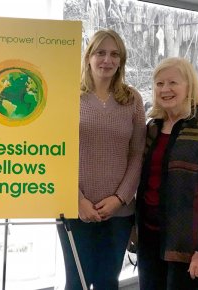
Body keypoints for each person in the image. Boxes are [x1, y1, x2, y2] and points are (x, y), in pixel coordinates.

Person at [57, 29, 146, 289]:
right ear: (88, 57)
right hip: (74, 208)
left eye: (114, 54)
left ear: (121, 61)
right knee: (77, 282)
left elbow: (137, 153)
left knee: (108, 282)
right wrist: (77, 199)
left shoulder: (132, 100)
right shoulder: (69, 96)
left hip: (119, 213)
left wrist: (119, 199)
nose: (107, 60)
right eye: (100, 53)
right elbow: (56, 153)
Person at [136, 57, 198, 290]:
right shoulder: (153, 127)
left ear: (189, 85)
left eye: (172, 82)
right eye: (159, 84)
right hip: (150, 238)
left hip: (188, 245)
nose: (165, 89)